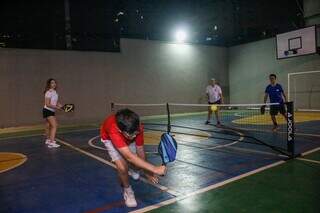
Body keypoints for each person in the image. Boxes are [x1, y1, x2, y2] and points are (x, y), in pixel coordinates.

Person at [100, 109, 166, 207]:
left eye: (136, 133)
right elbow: (129, 156)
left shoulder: (137, 128)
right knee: (122, 167)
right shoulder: (113, 130)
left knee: (137, 164)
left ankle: (132, 169)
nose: (135, 135)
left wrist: (147, 172)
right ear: (120, 130)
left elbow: (140, 150)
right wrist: (154, 169)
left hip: (127, 138)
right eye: (132, 134)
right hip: (109, 139)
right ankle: (128, 191)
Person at [43, 78, 63, 148]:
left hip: (51, 110)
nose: (54, 84)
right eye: (52, 83)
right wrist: (57, 107)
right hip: (47, 110)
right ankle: (51, 142)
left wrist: (61, 106)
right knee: (55, 125)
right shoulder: (48, 92)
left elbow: (55, 102)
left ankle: (48, 140)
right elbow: (48, 104)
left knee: (48, 126)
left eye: (54, 83)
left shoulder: (55, 92)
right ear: (49, 84)